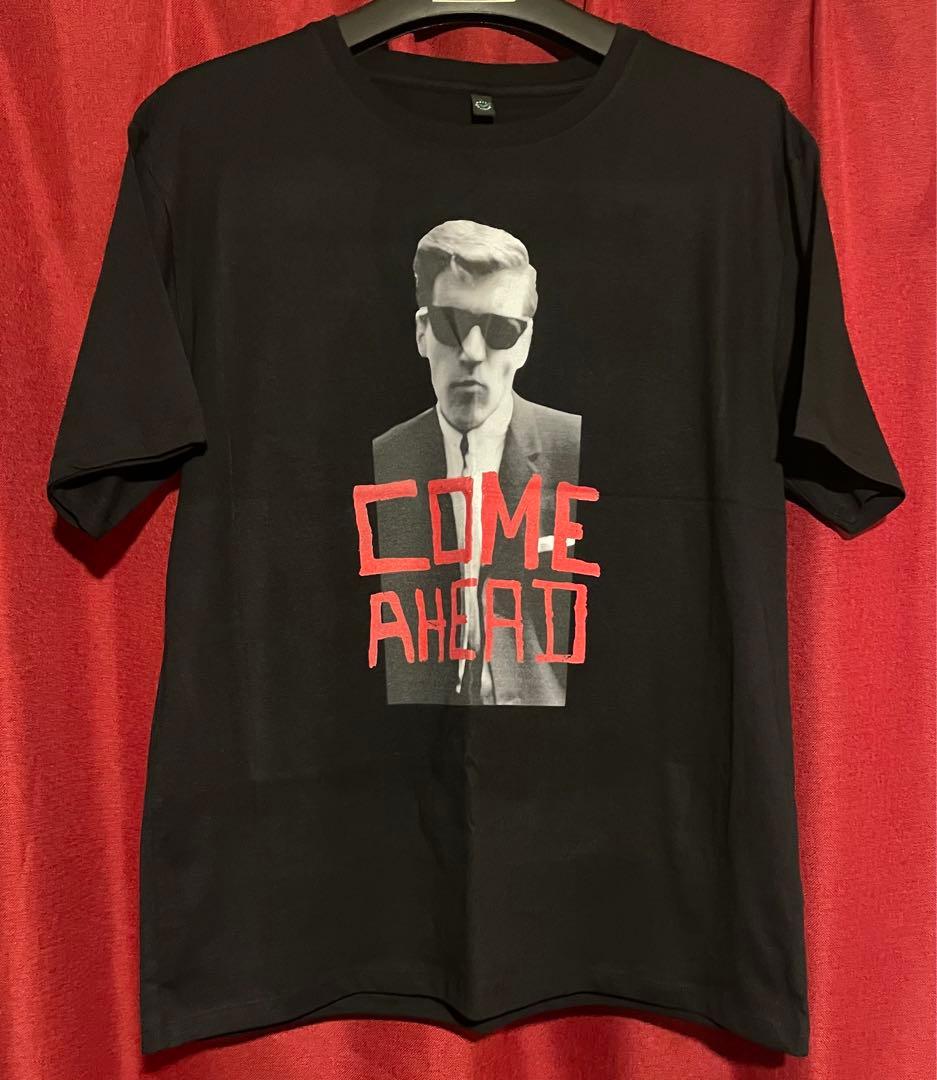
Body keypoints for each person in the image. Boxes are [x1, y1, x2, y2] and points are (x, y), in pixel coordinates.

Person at [372, 219, 583, 706]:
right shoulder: (382, 461)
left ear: (525, 342)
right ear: (423, 332)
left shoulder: (572, 450)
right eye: (451, 323)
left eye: (499, 330)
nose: (471, 352)